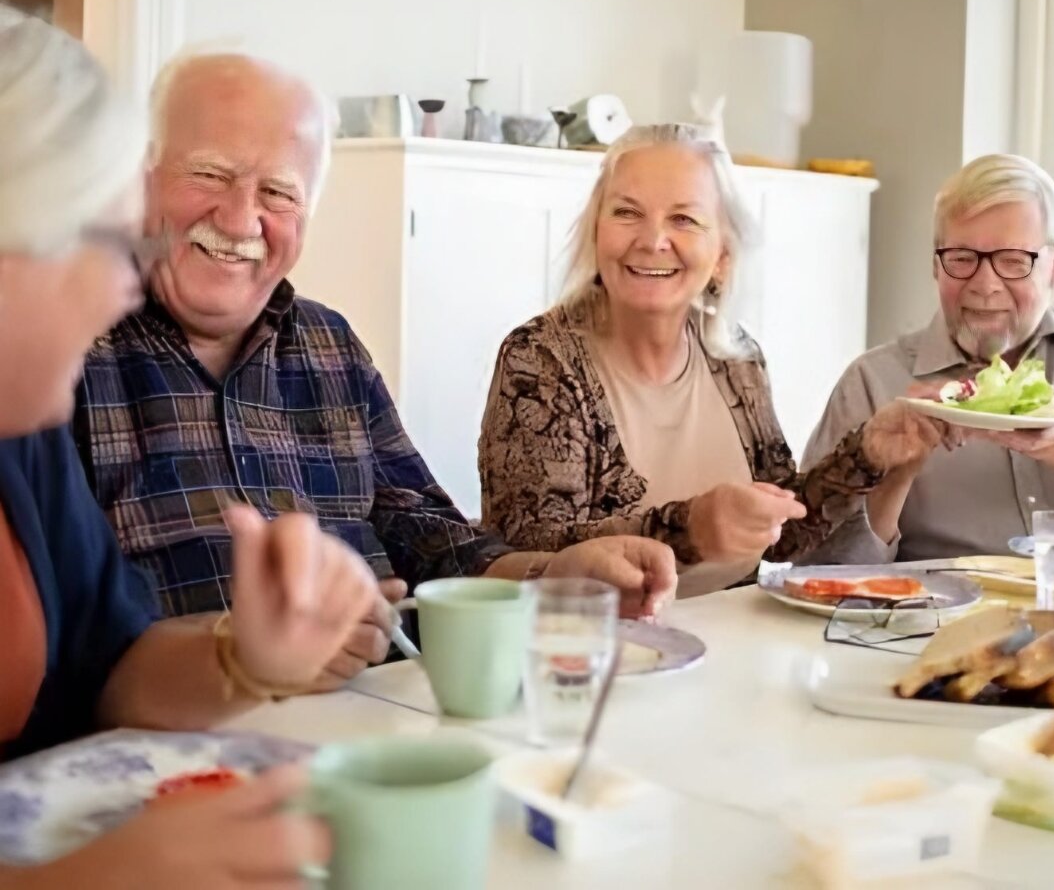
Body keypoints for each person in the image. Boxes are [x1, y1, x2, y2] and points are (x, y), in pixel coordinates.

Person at [73, 51, 676, 653]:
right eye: (208, 174)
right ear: (141, 177)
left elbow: (427, 537)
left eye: (278, 191)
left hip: (381, 712)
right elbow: (61, 639)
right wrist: (242, 661)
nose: (239, 220)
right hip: (180, 738)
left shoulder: (331, 346)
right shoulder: (69, 353)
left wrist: (557, 576)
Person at [0, 8, 377, 882]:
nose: (130, 287)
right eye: (107, 243)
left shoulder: (23, 435)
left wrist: (243, 658)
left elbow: (114, 667)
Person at [478, 124, 940, 594]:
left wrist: (867, 454)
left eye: (683, 219)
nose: (652, 239)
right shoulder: (539, 359)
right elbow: (532, 554)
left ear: (722, 254)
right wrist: (691, 528)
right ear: (597, 232)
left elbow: (780, 533)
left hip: (729, 641)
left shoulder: (736, 357)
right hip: (594, 651)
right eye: (626, 213)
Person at [804, 152, 1054, 561]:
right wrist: (894, 479)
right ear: (936, 266)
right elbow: (812, 574)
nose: (985, 286)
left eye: (1012, 261)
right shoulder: (872, 384)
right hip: (934, 620)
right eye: (963, 259)